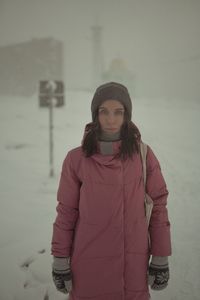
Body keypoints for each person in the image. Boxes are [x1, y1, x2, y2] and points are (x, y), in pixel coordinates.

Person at [51, 82, 172, 300]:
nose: (111, 119)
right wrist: (60, 259)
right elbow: (66, 211)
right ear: (95, 114)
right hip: (87, 262)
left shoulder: (143, 156)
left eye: (118, 112)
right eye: (103, 111)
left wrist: (161, 257)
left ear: (127, 116)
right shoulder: (75, 159)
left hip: (132, 266)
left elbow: (158, 206)